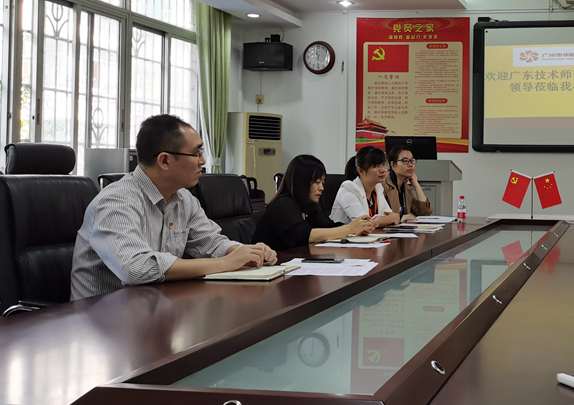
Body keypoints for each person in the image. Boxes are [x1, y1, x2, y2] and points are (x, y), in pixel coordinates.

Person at [71, 114, 277, 300]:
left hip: (154, 308)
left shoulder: (184, 199)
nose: (203, 161)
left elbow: (211, 243)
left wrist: (245, 252)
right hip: (101, 319)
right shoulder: (117, 200)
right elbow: (135, 269)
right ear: (165, 161)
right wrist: (225, 263)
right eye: (196, 153)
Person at [252, 155, 376, 251]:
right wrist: (349, 228)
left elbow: (329, 227)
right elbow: (306, 236)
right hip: (270, 266)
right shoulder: (284, 204)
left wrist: (358, 229)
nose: (322, 188)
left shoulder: (309, 205)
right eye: (317, 182)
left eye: (323, 182)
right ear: (301, 182)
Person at [331, 146, 400, 228]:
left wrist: (393, 217)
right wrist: (393, 217)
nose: (383, 170)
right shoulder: (348, 188)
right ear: (360, 171)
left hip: (371, 235)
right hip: (343, 235)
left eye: (384, 164)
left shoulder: (378, 188)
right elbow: (363, 223)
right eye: (376, 166)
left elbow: (391, 216)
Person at [384, 145, 434, 220]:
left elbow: (424, 212)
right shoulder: (383, 184)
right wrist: (399, 219)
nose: (410, 164)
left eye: (412, 160)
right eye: (405, 161)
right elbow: (379, 215)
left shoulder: (406, 188)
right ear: (393, 165)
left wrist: (416, 185)